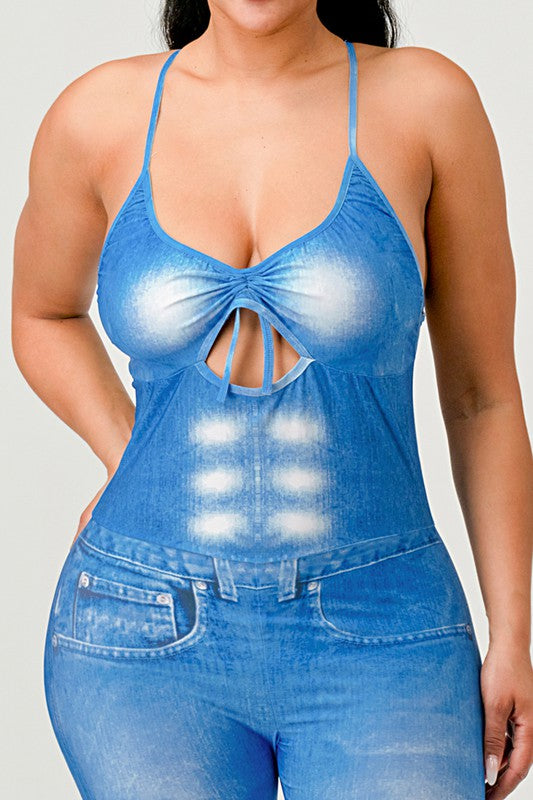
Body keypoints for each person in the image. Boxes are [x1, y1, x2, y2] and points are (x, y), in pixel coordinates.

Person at [11, 1, 533, 798]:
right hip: (138, 627)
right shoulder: (97, 115)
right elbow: (42, 313)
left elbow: (481, 397)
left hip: (385, 625)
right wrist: (126, 452)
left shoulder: (427, 103)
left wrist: (513, 637)